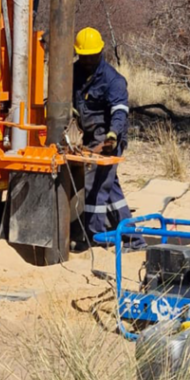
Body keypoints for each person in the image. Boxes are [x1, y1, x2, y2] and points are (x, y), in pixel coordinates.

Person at [72, 27, 132, 241]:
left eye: (92, 57)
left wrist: (113, 134)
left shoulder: (112, 80)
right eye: (84, 56)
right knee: (110, 187)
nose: (87, 61)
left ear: (100, 53)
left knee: (95, 183)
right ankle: (132, 236)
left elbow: (119, 110)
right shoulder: (75, 72)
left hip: (107, 137)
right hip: (86, 136)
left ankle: (93, 235)